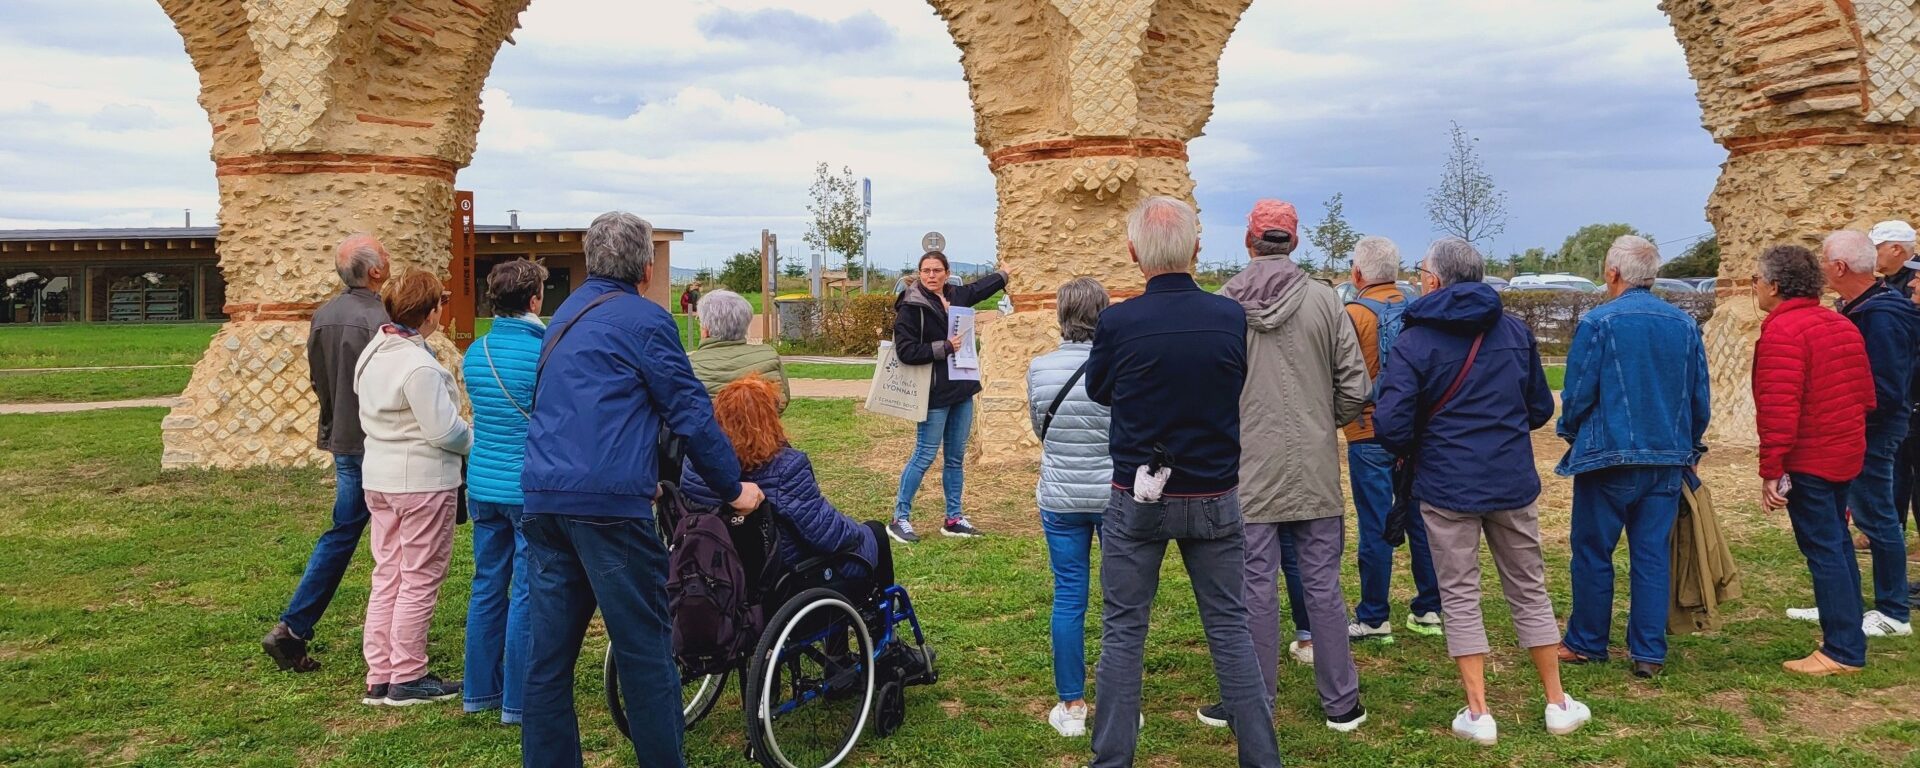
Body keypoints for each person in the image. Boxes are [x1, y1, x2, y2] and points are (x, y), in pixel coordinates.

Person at [519, 212, 763, 768]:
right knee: (646, 651)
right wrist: (733, 489)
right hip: (607, 505)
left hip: (544, 496)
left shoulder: (563, 317)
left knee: (548, 661)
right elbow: (692, 415)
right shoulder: (647, 321)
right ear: (647, 267)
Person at [1086, 196, 1281, 768]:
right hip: (1215, 491)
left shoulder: (1119, 322)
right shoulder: (1228, 317)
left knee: (1124, 630)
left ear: (1133, 253)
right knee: (1229, 627)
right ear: (1196, 250)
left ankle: (1112, 759)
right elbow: (1235, 380)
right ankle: (1262, 758)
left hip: (1137, 493)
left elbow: (1100, 390)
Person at [1373, 238, 1590, 745]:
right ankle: (1557, 702)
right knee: (1529, 587)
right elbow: (1539, 408)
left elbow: (1390, 423)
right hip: (1510, 480)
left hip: (1446, 485)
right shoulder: (1514, 331)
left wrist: (1422, 442)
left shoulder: (1416, 341)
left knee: (1460, 593)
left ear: (1434, 280)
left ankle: (1478, 711)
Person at [1199, 199, 1371, 734]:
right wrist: (1323, 420)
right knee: (1323, 585)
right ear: (1293, 242)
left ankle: (1252, 701)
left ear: (1250, 241)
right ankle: (1341, 702)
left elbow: (1212, 390)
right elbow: (1356, 386)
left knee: (1252, 587)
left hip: (1248, 469)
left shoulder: (1224, 305)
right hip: (1314, 464)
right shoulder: (1325, 301)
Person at [1554, 236, 1712, 678]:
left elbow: (1579, 391)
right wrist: (1691, 446)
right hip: (1665, 457)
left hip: (1609, 455)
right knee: (1651, 553)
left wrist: (1570, 431)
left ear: (1613, 273)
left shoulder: (1600, 322)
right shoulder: (1683, 324)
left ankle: (1587, 639)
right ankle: (1648, 651)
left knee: (1591, 551)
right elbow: (1699, 394)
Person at [261, 233, 391, 673]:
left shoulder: (322, 315)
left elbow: (319, 379)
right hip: (380, 444)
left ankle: (293, 628)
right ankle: (395, 638)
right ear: (375, 271)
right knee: (401, 545)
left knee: (342, 534)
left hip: (343, 440)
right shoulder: (382, 320)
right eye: (385, 255)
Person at [1781, 231, 1917, 637]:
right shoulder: (1860, 307)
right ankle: (1840, 604)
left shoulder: (1881, 315)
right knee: (1847, 515)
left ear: (1838, 268)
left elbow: (1887, 388)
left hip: (1872, 432)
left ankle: (1893, 612)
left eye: (1824, 260)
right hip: (1854, 431)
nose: (1821, 267)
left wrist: (1846, 413)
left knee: (1878, 517)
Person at [1750, 244, 1876, 675]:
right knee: (1837, 545)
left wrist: (1772, 470)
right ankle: (1847, 635)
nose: (1755, 287)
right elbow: (1864, 394)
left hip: (1813, 455)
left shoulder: (1784, 331)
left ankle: (1842, 649)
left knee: (1825, 548)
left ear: (1776, 285)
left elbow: (1778, 406)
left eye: (1757, 279)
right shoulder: (1838, 322)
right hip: (1842, 449)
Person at [354, 269, 472, 705]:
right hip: (422, 481)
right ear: (428, 312)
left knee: (387, 573)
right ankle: (407, 673)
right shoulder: (418, 365)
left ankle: (380, 671)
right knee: (419, 576)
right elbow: (444, 432)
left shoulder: (374, 352)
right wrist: (474, 436)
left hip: (380, 476)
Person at [1341, 235, 1444, 643]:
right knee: (1421, 518)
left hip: (1367, 431)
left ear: (1358, 273)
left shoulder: (1352, 313)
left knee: (1376, 522)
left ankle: (1373, 615)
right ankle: (1429, 608)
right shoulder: (1419, 310)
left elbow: (1343, 375)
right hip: (1416, 432)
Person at [682, 375, 885, 577]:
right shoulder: (786, 469)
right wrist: (860, 531)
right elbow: (827, 534)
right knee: (876, 533)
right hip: (786, 575)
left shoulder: (694, 466)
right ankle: (878, 606)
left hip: (716, 571)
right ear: (768, 422)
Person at [460, 259, 548, 723]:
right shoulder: (544, 352)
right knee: (526, 592)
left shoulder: (476, 352)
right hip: (525, 486)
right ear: (535, 299)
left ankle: (478, 690)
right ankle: (517, 701)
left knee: (486, 586)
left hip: (483, 482)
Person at [1025, 277, 1113, 738]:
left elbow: (1041, 426)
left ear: (1062, 315)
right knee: (1121, 602)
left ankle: (1072, 702)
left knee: (1069, 597)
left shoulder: (1040, 368)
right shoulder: (1119, 366)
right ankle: (1120, 701)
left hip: (1061, 495)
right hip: (1111, 494)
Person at [886, 251, 1008, 543]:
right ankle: (899, 518)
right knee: (924, 455)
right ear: (918, 273)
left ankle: (953, 518)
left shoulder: (956, 295)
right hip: (933, 393)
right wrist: (944, 347)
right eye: (926, 270)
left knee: (955, 458)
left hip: (961, 389)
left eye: (937, 270)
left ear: (946, 272)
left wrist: (1004, 274)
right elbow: (906, 352)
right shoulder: (911, 307)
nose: (931, 276)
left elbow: (980, 289)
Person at [687, 289, 789, 410]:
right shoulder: (769, 356)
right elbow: (782, 400)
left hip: (708, 427)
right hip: (761, 426)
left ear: (706, 329)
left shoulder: (689, 364)